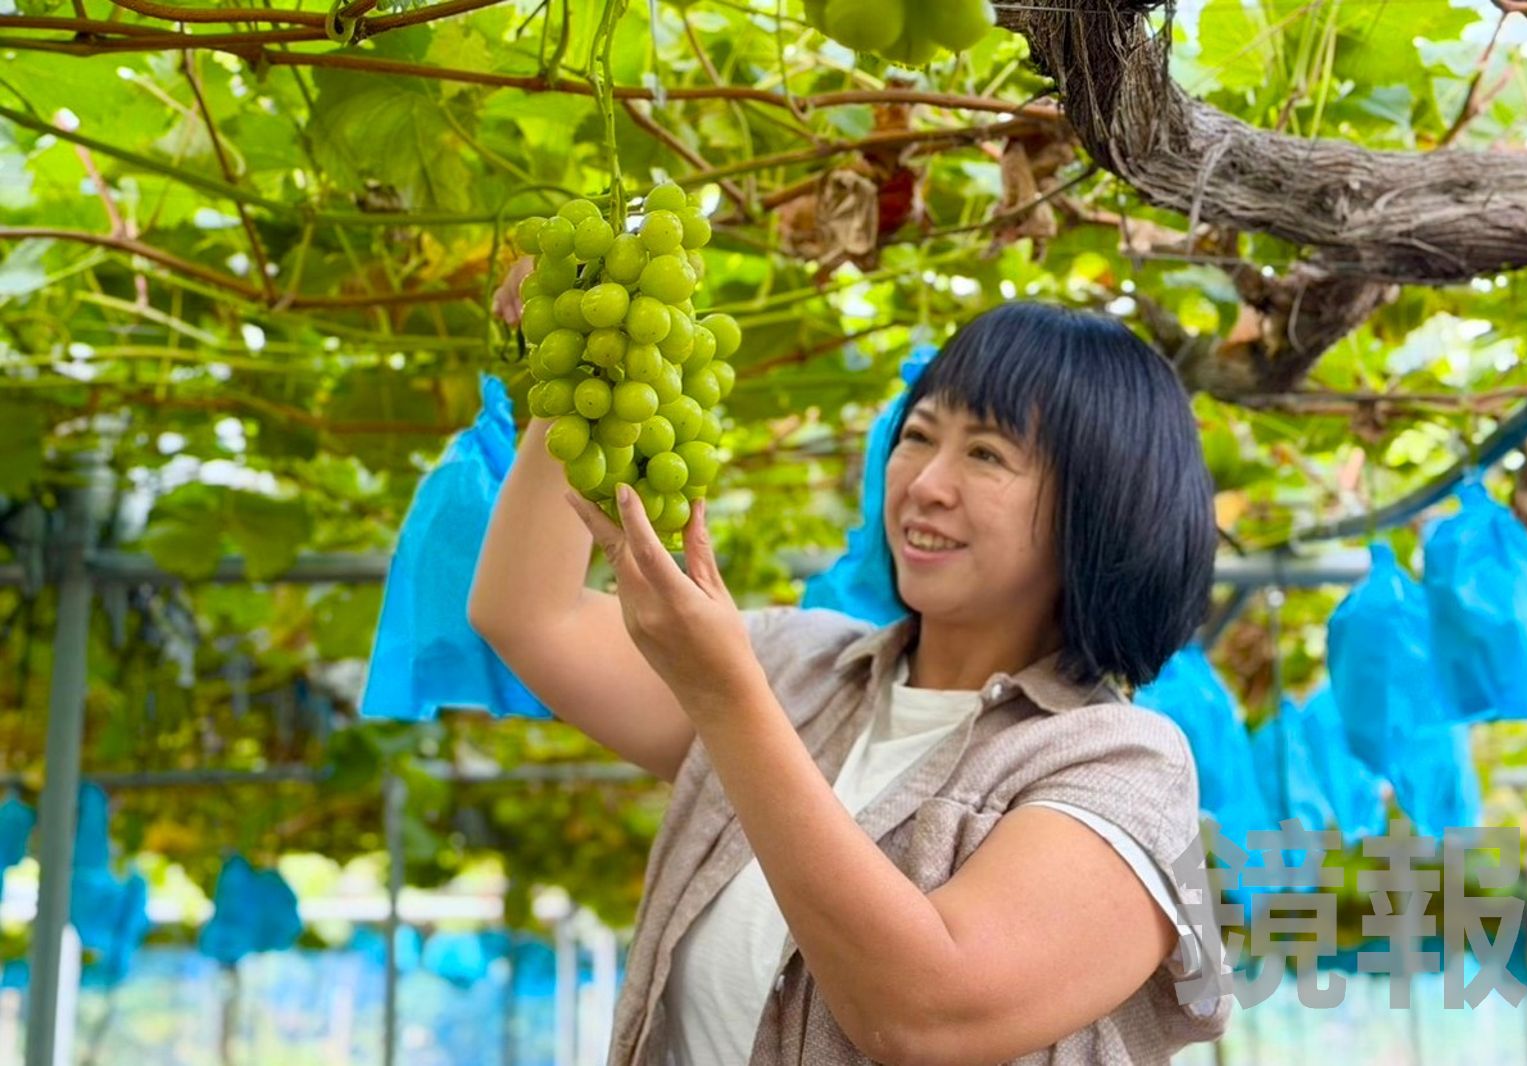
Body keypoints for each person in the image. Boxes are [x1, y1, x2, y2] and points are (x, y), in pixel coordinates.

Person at [470, 300, 1232, 1065]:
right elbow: (529, 616)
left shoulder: (1121, 765)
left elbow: (924, 1016)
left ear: (1100, 506)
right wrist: (587, 345)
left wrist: (726, 697)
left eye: (987, 454)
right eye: (918, 436)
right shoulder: (796, 666)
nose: (926, 482)